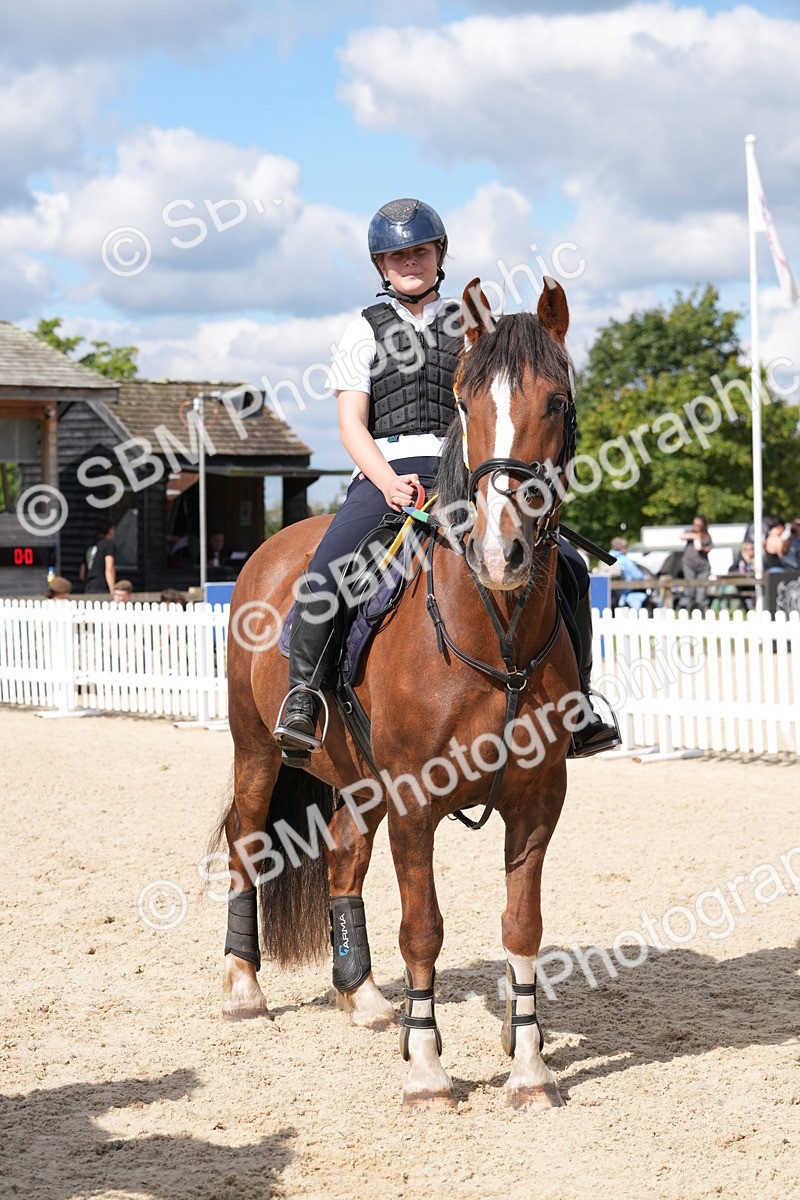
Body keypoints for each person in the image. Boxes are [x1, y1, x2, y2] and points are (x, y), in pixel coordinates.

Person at [272, 197, 619, 760]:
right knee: (327, 570)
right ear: (381, 265)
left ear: (439, 256)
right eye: (397, 255)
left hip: (465, 471)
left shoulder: (471, 326)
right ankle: (304, 696)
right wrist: (386, 482)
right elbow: (350, 423)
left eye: (420, 251)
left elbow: (505, 402)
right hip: (385, 472)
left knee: (572, 567)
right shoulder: (361, 331)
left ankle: (577, 706)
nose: (410, 261)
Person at [678, 514, 712, 612]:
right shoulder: (690, 532)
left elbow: (709, 548)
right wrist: (694, 536)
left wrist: (702, 548)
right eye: (695, 524)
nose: (696, 527)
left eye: (698, 525)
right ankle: (689, 609)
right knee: (690, 587)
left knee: (701, 589)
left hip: (703, 566)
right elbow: (681, 536)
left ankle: (700, 609)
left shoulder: (707, 536)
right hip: (689, 564)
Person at [608, 537, 651, 610]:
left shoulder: (607, 558)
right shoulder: (624, 560)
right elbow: (637, 576)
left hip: (611, 595)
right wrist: (646, 577)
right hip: (626, 594)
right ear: (622, 548)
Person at [83, 521, 116, 595]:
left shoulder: (90, 546)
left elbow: (82, 574)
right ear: (109, 530)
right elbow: (109, 567)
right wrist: (112, 590)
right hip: (102, 587)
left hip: (89, 587)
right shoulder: (108, 545)